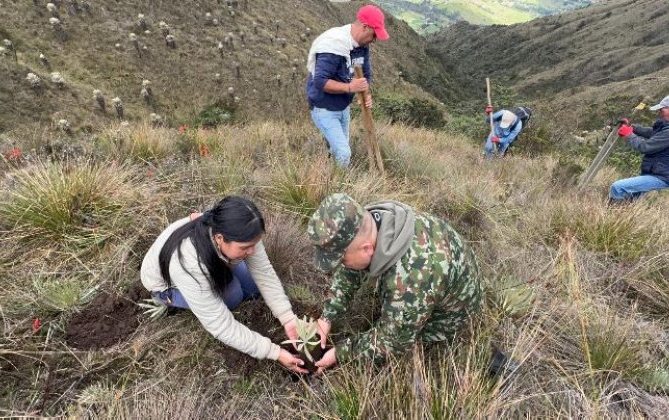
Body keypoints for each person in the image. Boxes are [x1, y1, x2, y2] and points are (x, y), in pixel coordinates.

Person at [306, 193, 483, 373]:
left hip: (454, 314)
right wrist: (326, 318)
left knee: (404, 341)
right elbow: (351, 270)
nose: (341, 266)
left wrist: (340, 353)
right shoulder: (377, 222)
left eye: (342, 260)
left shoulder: (410, 280)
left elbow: (392, 342)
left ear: (367, 249)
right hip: (442, 277)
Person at [140, 196, 308, 374]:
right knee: (233, 295)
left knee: (252, 287)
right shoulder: (187, 262)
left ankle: (223, 273)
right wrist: (274, 352)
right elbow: (220, 325)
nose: (251, 251)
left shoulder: (243, 231)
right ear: (220, 238)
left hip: (214, 262)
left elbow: (264, 273)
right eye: (245, 248)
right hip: (166, 285)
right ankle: (168, 303)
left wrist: (288, 318)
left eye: (254, 245)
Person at [305, 5, 389, 167]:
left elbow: (365, 75)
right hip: (324, 108)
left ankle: (327, 176)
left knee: (337, 150)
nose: (374, 40)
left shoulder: (361, 47)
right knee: (344, 152)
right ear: (365, 27)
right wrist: (351, 87)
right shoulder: (334, 44)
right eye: (374, 35)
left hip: (343, 107)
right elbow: (321, 81)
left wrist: (366, 95)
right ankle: (339, 188)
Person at [610, 93, 669, 202]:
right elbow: (657, 134)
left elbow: (644, 147)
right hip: (662, 172)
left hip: (664, 176)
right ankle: (623, 214)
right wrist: (632, 128)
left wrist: (629, 134)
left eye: (662, 109)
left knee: (618, 187)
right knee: (630, 198)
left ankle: (610, 215)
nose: (659, 113)